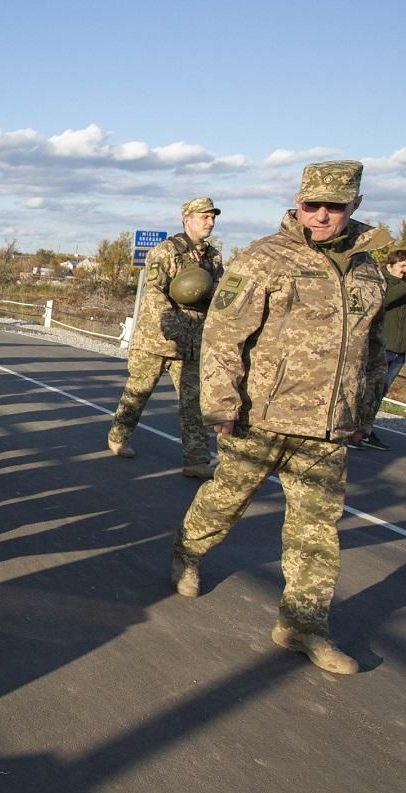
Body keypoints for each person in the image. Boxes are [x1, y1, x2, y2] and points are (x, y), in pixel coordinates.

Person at [171, 161, 391, 676]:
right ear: (297, 201)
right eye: (310, 204)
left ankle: (303, 624)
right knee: (226, 501)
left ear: (354, 206)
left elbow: (372, 350)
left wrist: (363, 412)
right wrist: (221, 405)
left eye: (333, 207)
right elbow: (224, 334)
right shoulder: (265, 258)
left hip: (326, 429)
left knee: (317, 532)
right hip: (259, 418)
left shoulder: (366, 268)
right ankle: (187, 552)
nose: (319, 216)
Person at [107, 198, 225, 479]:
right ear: (187, 219)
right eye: (204, 217)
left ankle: (196, 460)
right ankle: (119, 436)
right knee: (138, 391)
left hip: (194, 341)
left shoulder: (213, 256)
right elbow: (154, 293)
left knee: (193, 402)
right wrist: (172, 326)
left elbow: (221, 293)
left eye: (212, 217)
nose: (210, 222)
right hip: (158, 339)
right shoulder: (167, 251)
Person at [355, 248, 406, 450]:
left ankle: (365, 430)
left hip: (399, 350)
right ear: (390, 265)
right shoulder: (381, 281)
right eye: (403, 266)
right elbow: (383, 301)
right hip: (380, 348)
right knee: (366, 389)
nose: (405, 270)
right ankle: (353, 430)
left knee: (379, 392)